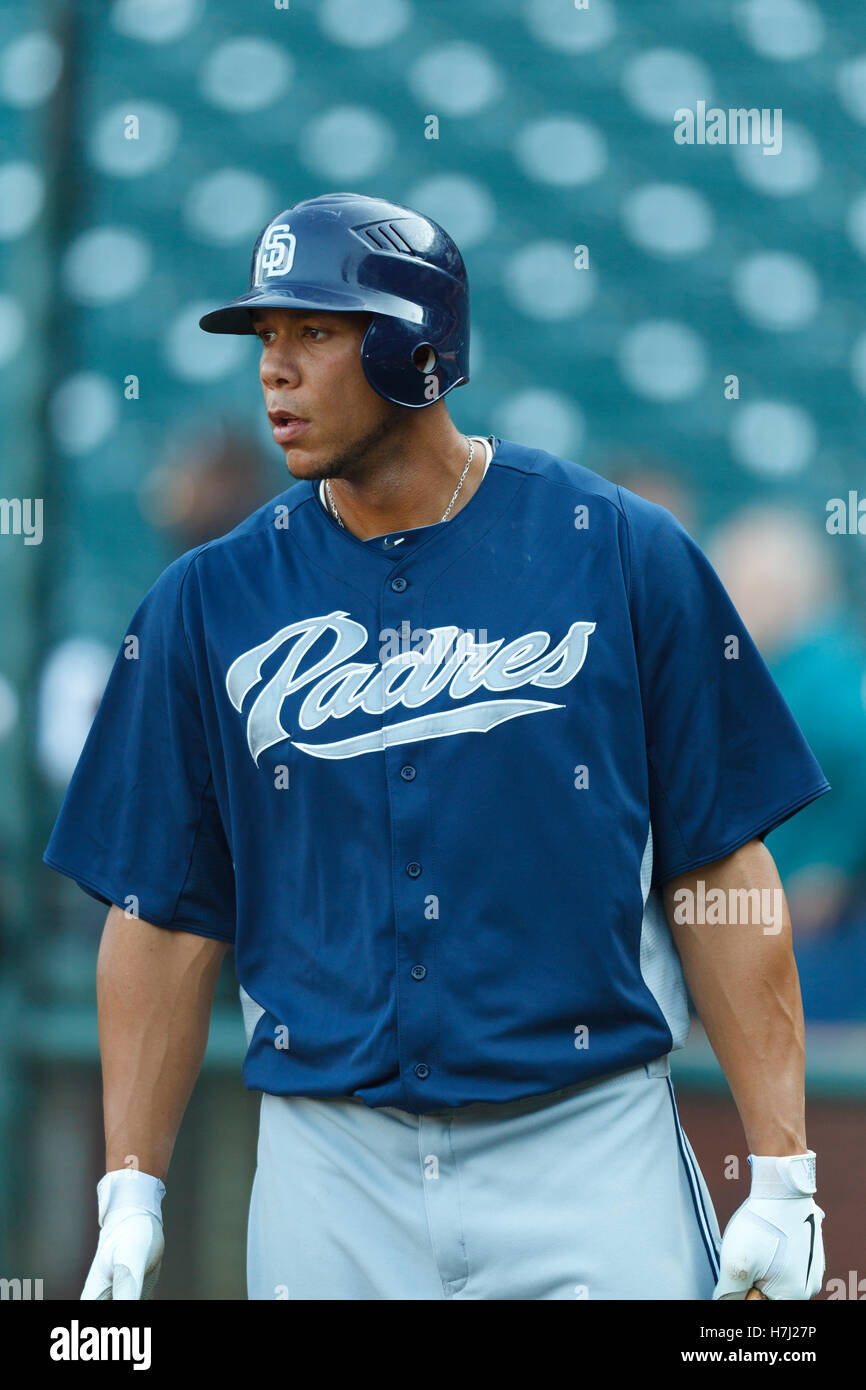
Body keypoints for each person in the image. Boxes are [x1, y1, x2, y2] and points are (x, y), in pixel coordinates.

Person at [44, 192, 827, 1301]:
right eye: (265, 339)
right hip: (330, 1159)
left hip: (583, 1138)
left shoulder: (616, 551)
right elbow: (162, 917)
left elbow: (720, 867)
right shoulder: (206, 601)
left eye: (313, 332)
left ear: (413, 346)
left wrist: (786, 1175)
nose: (273, 370)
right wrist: (132, 1191)